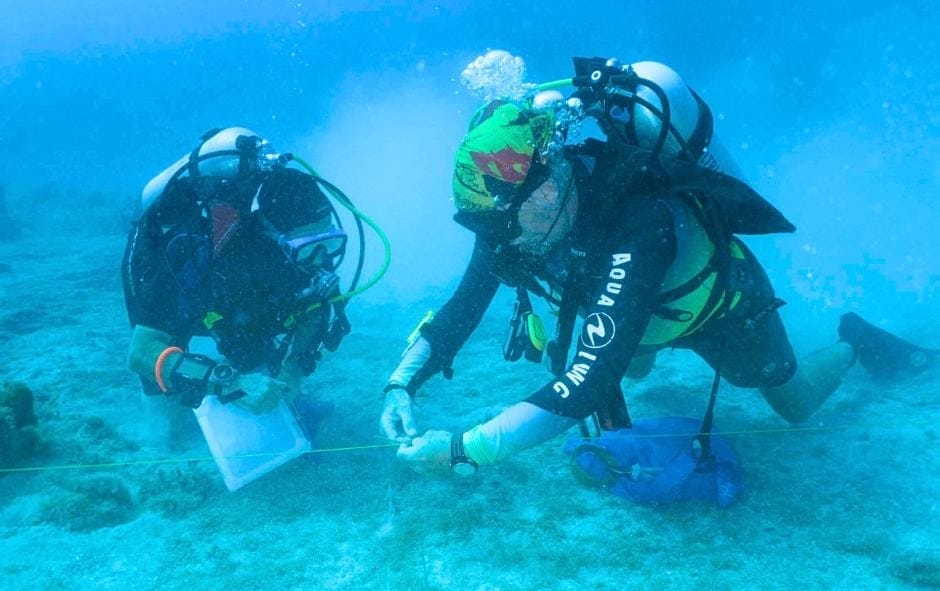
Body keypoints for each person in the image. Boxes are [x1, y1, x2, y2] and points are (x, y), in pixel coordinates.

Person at [379, 58, 937, 480]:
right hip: (637, 314)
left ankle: (854, 341)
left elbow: (585, 383)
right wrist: (401, 384)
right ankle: (638, 352)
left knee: (795, 407)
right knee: (627, 364)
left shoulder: (638, 220)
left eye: (500, 221)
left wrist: (461, 450)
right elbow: (463, 307)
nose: (495, 238)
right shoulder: (512, 219)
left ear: (548, 184)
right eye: (483, 224)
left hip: (718, 309)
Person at [122, 127, 353, 439]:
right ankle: (160, 435)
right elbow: (142, 352)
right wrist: (229, 382)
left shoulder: (308, 246)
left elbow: (315, 308)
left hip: (243, 293)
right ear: (272, 238)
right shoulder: (193, 251)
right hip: (179, 273)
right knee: (167, 409)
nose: (321, 258)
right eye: (308, 247)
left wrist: (294, 368)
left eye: (331, 243)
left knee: (255, 358)